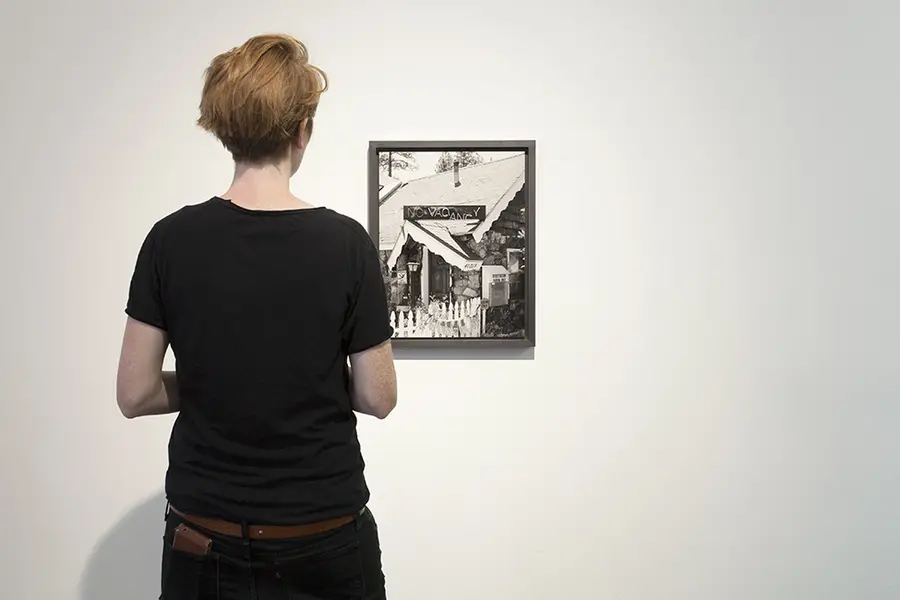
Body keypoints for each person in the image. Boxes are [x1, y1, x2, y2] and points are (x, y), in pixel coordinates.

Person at [115, 33, 397, 600]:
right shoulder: (346, 244)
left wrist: (212, 381)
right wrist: (302, 379)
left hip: (206, 539)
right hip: (325, 538)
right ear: (302, 130)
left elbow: (135, 394)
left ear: (226, 131)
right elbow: (377, 397)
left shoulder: (169, 241)